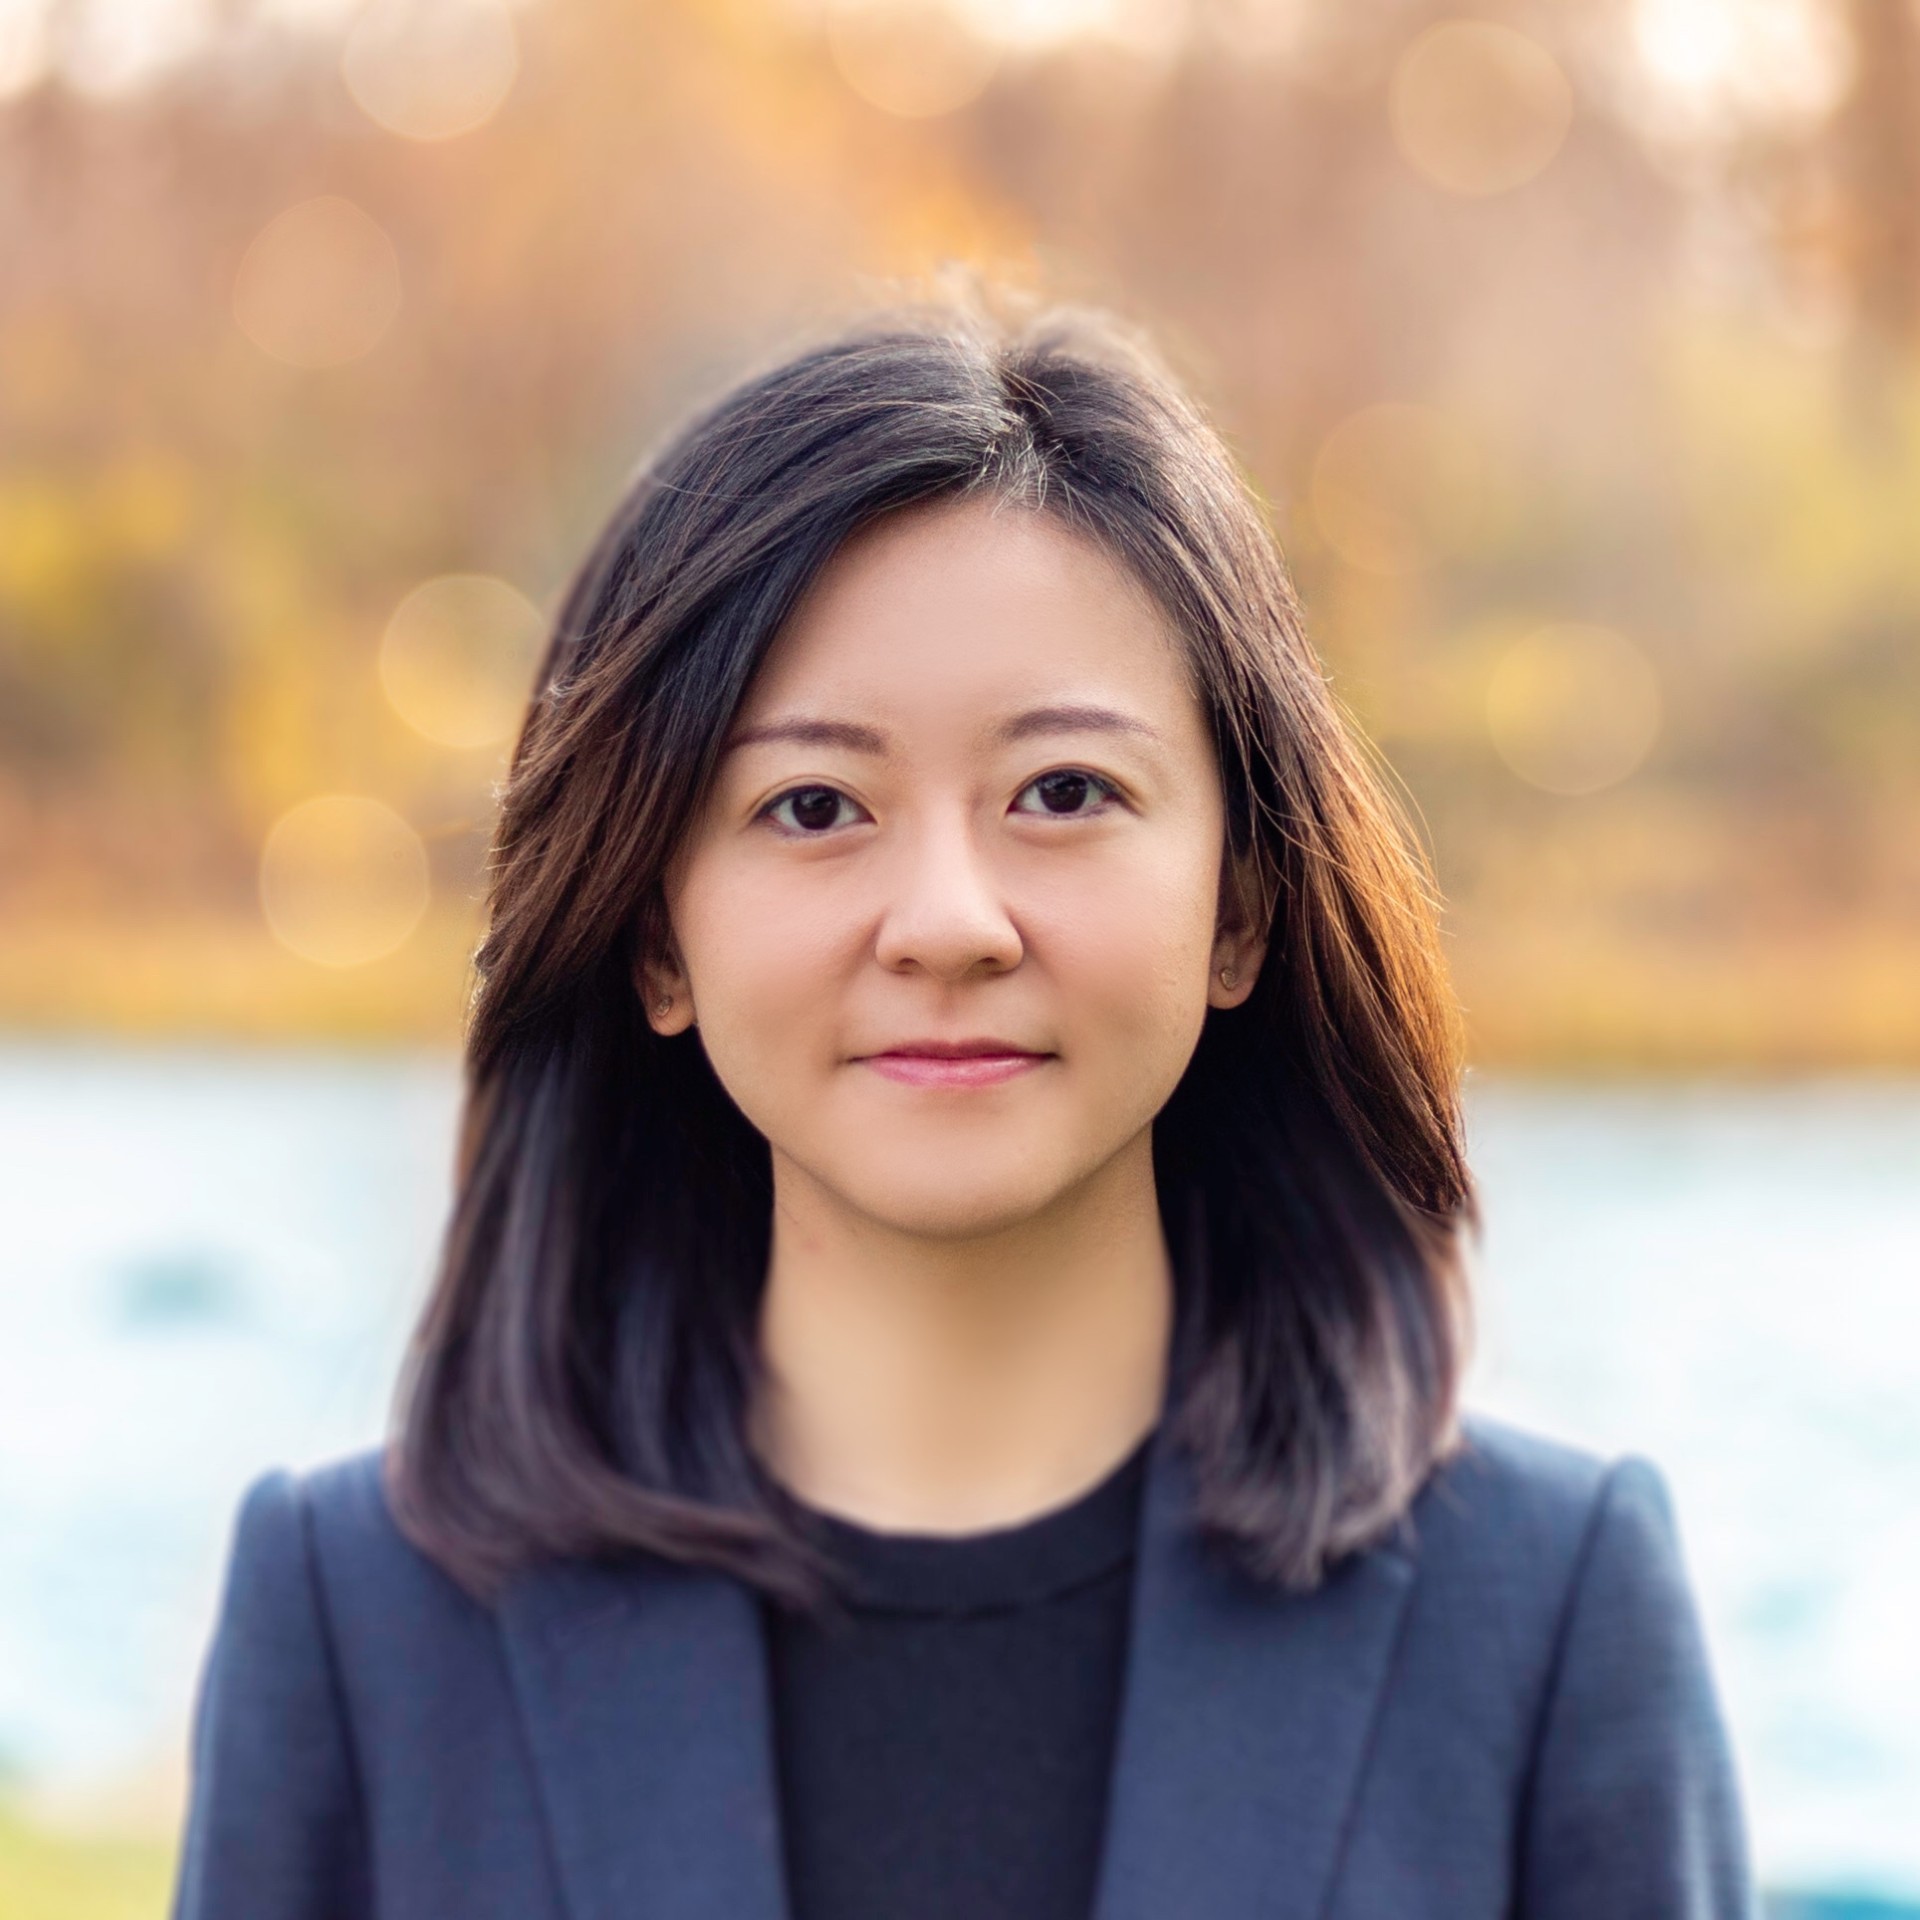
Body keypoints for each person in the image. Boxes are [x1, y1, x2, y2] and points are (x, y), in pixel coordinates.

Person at [171, 296, 1754, 1920]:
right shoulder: (359, 1619)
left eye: (1064, 792)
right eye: (813, 805)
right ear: (655, 935)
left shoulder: (1548, 1610)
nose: (947, 920)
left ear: (1241, 906)